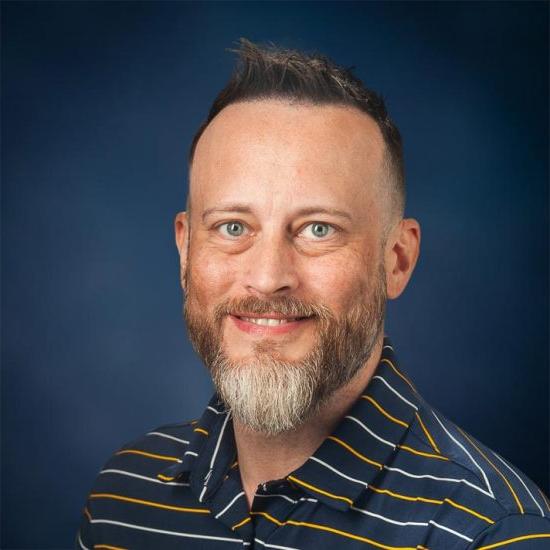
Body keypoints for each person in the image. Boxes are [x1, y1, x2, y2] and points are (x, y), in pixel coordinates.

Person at [77, 38, 550, 549]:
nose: (267, 277)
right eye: (233, 227)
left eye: (318, 229)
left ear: (397, 260)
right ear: (185, 247)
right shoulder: (123, 499)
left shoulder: (492, 533)